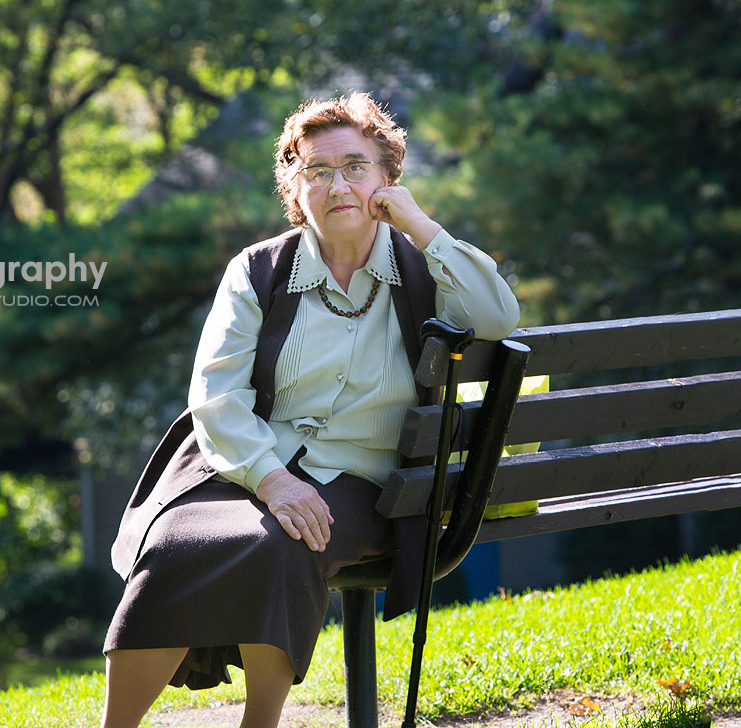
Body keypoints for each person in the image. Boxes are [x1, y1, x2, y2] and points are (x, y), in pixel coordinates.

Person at [101, 93, 520, 727]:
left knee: (286, 540)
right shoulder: (258, 271)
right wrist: (272, 478)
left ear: (387, 179)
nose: (337, 185)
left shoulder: (426, 267)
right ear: (296, 187)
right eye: (317, 171)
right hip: (245, 467)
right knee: (174, 543)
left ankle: (260, 723)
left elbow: (499, 316)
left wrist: (422, 226)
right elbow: (216, 394)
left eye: (355, 166)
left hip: (367, 480)